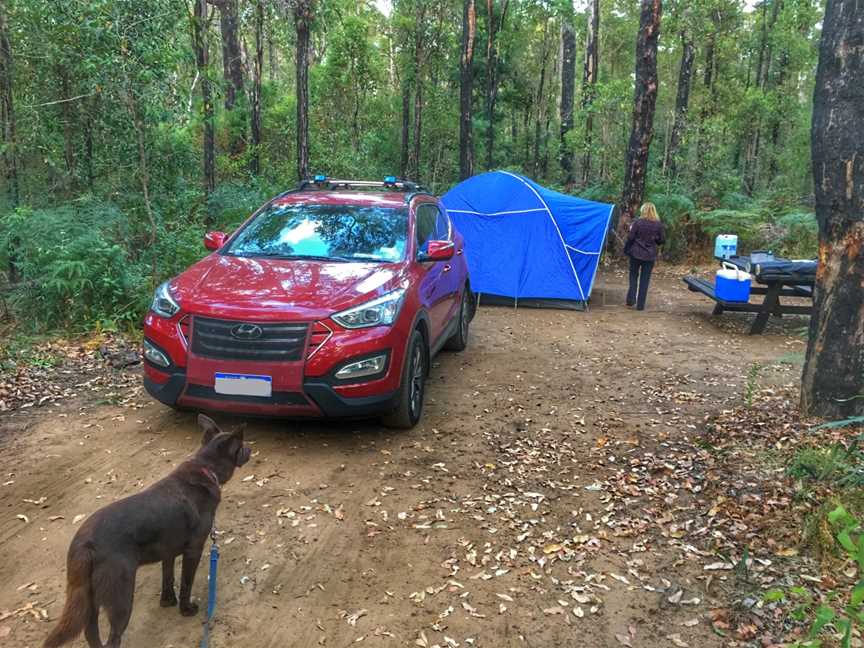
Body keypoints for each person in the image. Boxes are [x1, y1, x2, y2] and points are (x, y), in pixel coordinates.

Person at [624, 202, 665, 310]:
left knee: (633, 276)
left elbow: (631, 237)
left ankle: (631, 299)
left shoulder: (638, 222)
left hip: (636, 253)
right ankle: (640, 305)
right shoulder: (658, 224)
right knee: (645, 280)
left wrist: (627, 248)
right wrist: (654, 239)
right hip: (650, 255)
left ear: (643, 210)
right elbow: (662, 240)